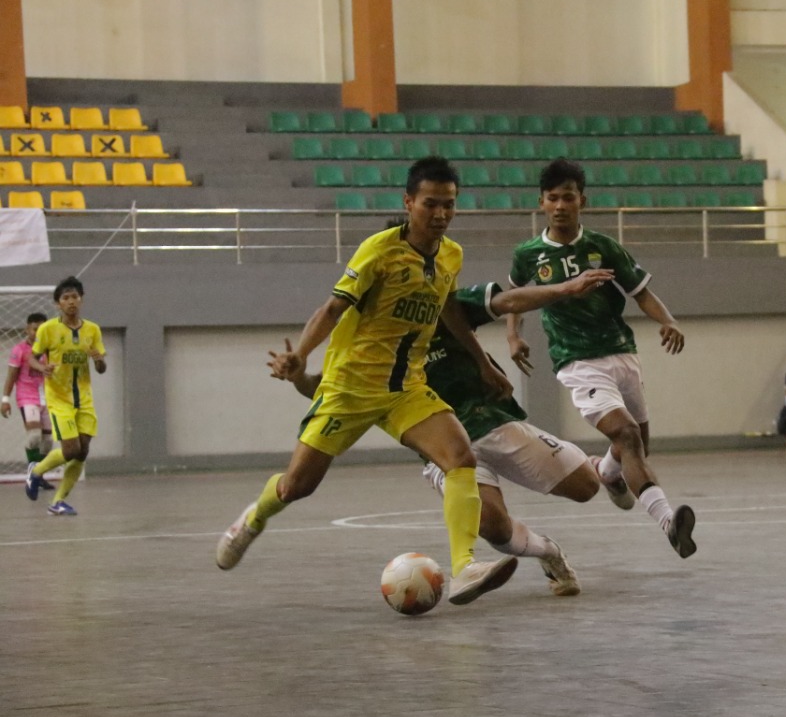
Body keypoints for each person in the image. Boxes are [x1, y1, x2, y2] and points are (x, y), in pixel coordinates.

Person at [215, 156, 521, 608]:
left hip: (407, 388)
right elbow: (332, 309)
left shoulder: (451, 256)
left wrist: (482, 362)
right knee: (297, 486)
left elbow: (448, 310)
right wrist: (300, 356)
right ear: (409, 202)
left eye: (449, 206)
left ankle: (463, 568)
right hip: (350, 388)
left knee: (460, 456)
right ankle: (253, 518)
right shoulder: (379, 250)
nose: (440, 215)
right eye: (430, 204)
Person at [268, 272, 616, 598]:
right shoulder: (361, 333)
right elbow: (319, 387)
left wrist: (565, 288)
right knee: (493, 527)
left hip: (491, 422)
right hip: (442, 449)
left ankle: (602, 467)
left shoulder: (446, 305)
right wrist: (298, 375)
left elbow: (509, 300)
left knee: (585, 487)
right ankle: (549, 551)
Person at [506, 158, 696, 558]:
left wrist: (668, 320)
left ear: (582, 201)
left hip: (622, 353)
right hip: (578, 362)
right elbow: (514, 298)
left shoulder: (604, 247)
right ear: (542, 202)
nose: (561, 205)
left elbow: (640, 291)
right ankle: (668, 523)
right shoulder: (529, 255)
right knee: (626, 434)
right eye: (553, 198)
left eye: (568, 197)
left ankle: (608, 473)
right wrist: (512, 336)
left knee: (638, 445)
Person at [24, 278, 107, 515]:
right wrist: (42, 368)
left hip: (85, 399)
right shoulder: (48, 329)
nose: (71, 302)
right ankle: (37, 471)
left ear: (81, 299)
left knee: (82, 451)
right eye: (65, 298)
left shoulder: (92, 330)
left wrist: (99, 361)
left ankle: (57, 501)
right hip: (59, 399)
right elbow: (31, 358)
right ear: (57, 304)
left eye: (75, 297)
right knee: (70, 450)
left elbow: (101, 368)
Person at [3, 311, 55, 492]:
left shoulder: (51, 349)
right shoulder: (20, 350)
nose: (37, 333)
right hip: (27, 397)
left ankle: (39, 475)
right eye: (34, 329)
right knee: (34, 436)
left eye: (41, 329)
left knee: (48, 442)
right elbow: (11, 376)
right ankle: (33, 474)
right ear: (27, 329)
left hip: (47, 398)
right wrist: (5, 399)